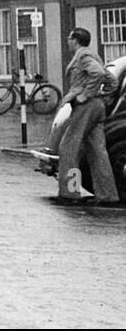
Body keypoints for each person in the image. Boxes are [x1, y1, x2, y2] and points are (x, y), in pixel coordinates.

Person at [54, 28, 120, 205]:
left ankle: (70, 193)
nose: (67, 41)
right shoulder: (93, 55)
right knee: (98, 151)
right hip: (97, 107)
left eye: (69, 38)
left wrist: (85, 95)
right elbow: (112, 82)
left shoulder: (83, 56)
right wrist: (103, 97)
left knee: (69, 148)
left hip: (85, 107)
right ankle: (108, 195)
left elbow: (97, 73)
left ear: (75, 40)